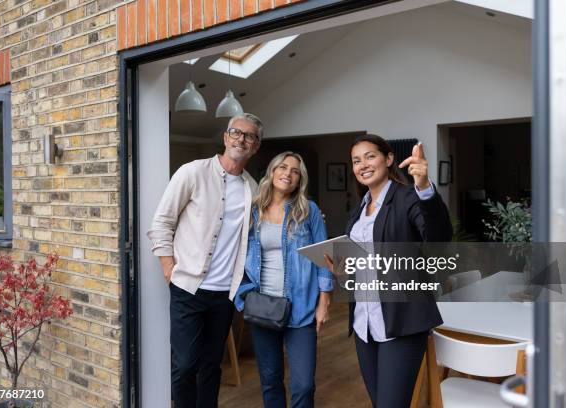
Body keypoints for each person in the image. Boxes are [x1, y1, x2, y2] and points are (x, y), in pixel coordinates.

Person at [324, 134, 452, 408]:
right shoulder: (359, 210)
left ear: (389, 159)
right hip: (364, 324)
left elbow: (438, 238)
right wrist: (344, 271)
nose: (363, 165)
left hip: (402, 322)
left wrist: (425, 188)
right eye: (356, 160)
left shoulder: (408, 197)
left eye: (370, 156)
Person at [147, 113, 263, 408]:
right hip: (188, 288)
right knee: (185, 364)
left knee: (212, 365)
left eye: (249, 136)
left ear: (256, 146)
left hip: (225, 293)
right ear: (225, 138)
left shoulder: (253, 188)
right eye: (236, 132)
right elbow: (161, 223)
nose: (241, 139)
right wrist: (168, 270)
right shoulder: (193, 172)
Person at [235, 151, 333, 408]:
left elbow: (325, 257)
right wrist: (242, 296)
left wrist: (324, 302)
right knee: (270, 379)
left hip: (301, 308)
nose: (287, 173)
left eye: (295, 171)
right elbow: (236, 252)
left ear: (300, 179)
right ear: (272, 171)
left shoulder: (309, 210)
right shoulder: (252, 210)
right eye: (282, 167)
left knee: (303, 385)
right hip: (263, 306)